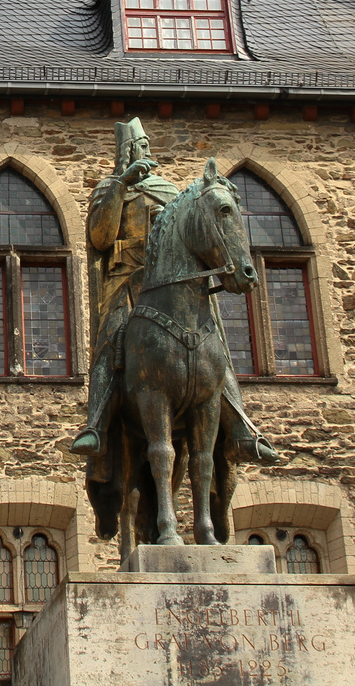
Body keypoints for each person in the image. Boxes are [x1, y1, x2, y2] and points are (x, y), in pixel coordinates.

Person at [70, 120, 280, 465]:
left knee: (216, 343)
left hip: (174, 284)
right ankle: (96, 424)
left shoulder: (171, 191)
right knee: (111, 338)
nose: (147, 151)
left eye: (149, 145)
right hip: (126, 282)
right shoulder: (110, 188)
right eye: (140, 146)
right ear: (126, 153)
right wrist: (121, 185)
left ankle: (242, 427)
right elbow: (100, 238)